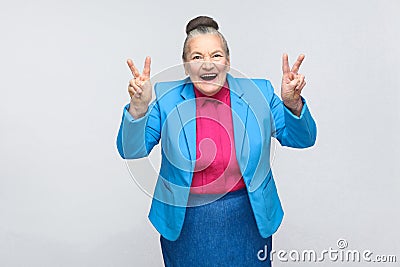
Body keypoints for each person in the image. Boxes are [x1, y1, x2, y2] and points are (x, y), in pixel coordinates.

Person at [116, 16, 316, 267]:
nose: (207, 64)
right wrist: (138, 109)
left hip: (248, 216)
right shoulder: (166, 99)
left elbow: (303, 139)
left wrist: (292, 104)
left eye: (216, 55)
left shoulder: (260, 93)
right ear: (186, 66)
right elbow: (131, 150)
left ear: (228, 62)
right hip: (186, 221)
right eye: (197, 57)